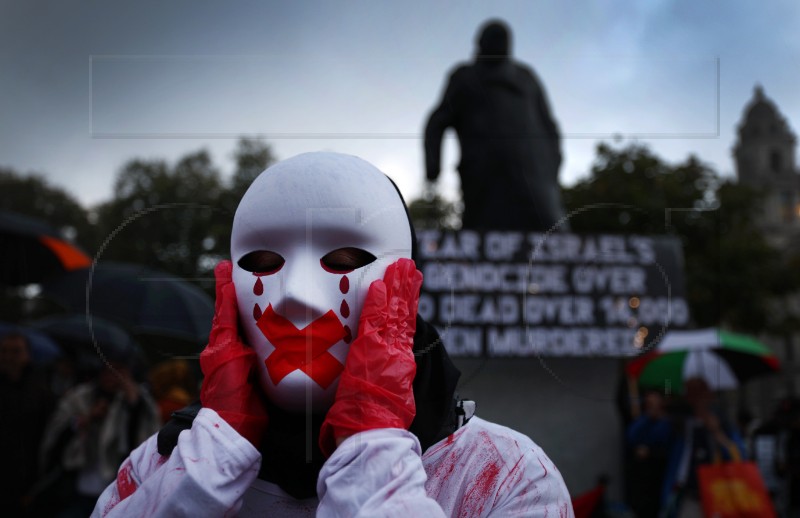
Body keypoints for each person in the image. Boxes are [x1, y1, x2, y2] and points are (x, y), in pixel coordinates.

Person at [92, 152, 573, 516]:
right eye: (263, 264)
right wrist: (205, 466)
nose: (295, 295)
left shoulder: (506, 477)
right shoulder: (155, 470)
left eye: (345, 263)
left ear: (405, 289)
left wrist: (372, 451)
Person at [424, 19, 567, 231]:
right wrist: (433, 167)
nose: (500, 43)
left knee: (552, 230)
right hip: (483, 174)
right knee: (483, 236)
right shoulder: (464, 77)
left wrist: (554, 163)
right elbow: (437, 122)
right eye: (493, 38)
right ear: (480, 43)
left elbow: (548, 124)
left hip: (533, 174)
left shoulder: (526, 77)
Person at [39, 335, 159, 517]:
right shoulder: (81, 397)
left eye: (119, 371)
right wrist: (87, 419)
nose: (113, 376)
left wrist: (133, 404)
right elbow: (58, 432)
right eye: (109, 370)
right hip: (77, 487)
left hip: (116, 492)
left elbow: (144, 439)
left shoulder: (137, 400)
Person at [660, 377, 746, 518]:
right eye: (690, 392)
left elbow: (739, 457)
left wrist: (717, 433)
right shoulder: (680, 423)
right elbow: (643, 436)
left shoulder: (722, 422)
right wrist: (666, 399)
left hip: (718, 495)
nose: (696, 398)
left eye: (699, 392)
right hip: (688, 496)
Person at [0, 331, 55, 517]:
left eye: (16, 351)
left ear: (27, 355)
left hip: (25, 478)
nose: (8, 357)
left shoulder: (40, 391)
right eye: (4, 351)